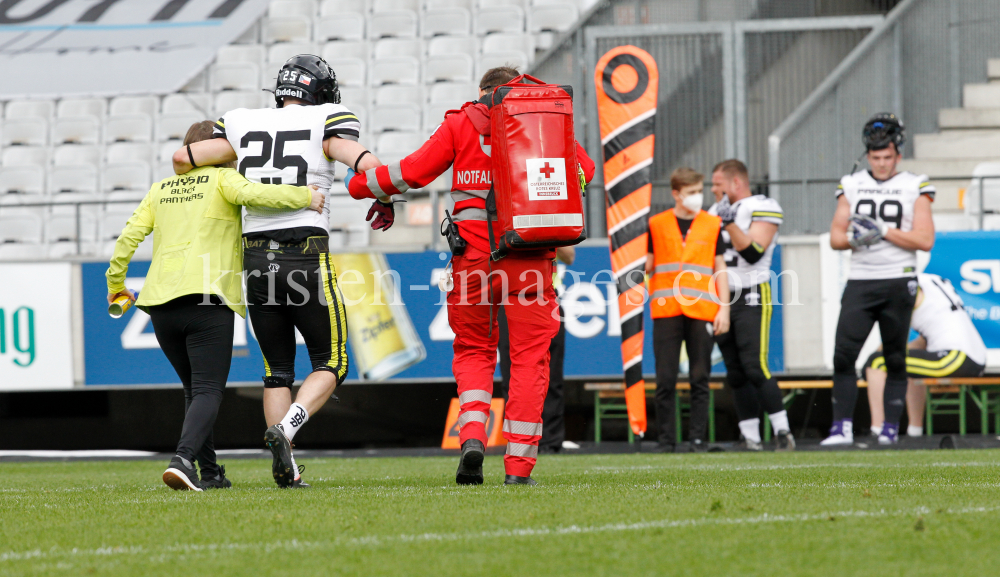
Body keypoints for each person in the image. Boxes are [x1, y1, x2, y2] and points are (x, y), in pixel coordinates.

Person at [345, 66, 596, 485]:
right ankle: (518, 469)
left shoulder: (462, 123)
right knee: (530, 361)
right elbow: (584, 173)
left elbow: (411, 171)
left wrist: (360, 185)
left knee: (475, 351)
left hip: (473, 263)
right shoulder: (544, 123)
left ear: (482, 92)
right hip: (531, 262)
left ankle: (475, 437)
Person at [172, 55, 384, 488]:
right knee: (332, 360)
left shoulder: (245, 122)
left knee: (277, 369)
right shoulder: (326, 118)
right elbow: (358, 158)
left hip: (255, 258)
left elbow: (182, 158)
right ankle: (286, 430)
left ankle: (284, 469)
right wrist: (380, 190)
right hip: (304, 253)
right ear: (318, 93)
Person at [107, 121, 324, 491]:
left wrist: (116, 286)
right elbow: (260, 196)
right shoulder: (222, 180)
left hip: (160, 304)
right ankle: (182, 461)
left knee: (194, 390)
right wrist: (306, 197)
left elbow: (128, 238)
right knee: (208, 390)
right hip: (208, 298)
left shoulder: (160, 189)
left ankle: (209, 473)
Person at [823, 113, 935, 446]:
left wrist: (884, 231)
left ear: (897, 155)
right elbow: (835, 237)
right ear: (867, 156)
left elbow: (925, 239)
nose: (882, 164)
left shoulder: (915, 184)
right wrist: (858, 240)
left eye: (887, 157)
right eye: (876, 158)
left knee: (895, 356)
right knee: (844, 355)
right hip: (861, 279)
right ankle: (841, 426)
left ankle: (890, 429)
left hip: (898, 280)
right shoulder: (853, 183)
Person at [711, 159, 794, 451]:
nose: (713, 190)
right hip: (721, 296)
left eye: (717, 184)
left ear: (736, 183)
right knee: (734, 370)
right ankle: (751, 437)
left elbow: (755, 252)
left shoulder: (762, 205)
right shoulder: (712, 212)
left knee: (754, 366)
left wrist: (729, 222)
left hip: (751, 292)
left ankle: (783, 432)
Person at [646, 167, 729, 452]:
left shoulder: (712, 223)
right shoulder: (656, 224)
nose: (698, 196)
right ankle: (666, 441)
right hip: (666, 308)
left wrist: (724, 309)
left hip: (702, 308)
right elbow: (647, 263)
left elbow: (720, 268)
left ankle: (697, 439)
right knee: (665, 379)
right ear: (676, 194)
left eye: (699, 190)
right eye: (692, 192)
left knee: (700, 378)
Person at [865, 273, 985, 438]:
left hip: (955, 357)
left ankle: (877, 431)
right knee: (910, 362)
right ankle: (915, 432)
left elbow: (896, 332)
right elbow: (922, 341)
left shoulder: (907, 286)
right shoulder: (930, 280)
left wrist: (877, 356)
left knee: (877, 362)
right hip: (971, 356)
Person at [497, 246, 576, 453]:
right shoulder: (503, 215)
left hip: (547, 296)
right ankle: (519, 440)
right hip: (509, 296)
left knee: (551, 375)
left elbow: (570, 256)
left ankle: (551, 441)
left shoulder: (551, 216)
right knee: (512, 375)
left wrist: (544, 235)